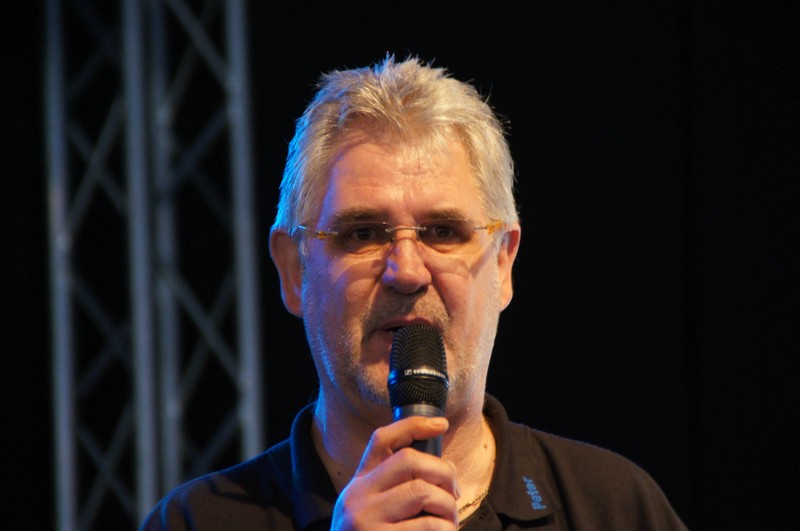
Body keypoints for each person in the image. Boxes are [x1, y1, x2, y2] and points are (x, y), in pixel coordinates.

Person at [141, 56, 687, 530]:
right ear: (293, 271)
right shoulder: (196, 521)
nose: (406, 271)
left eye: (443, 232)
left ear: (503, 263)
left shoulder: (614, 507)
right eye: (363, 234)